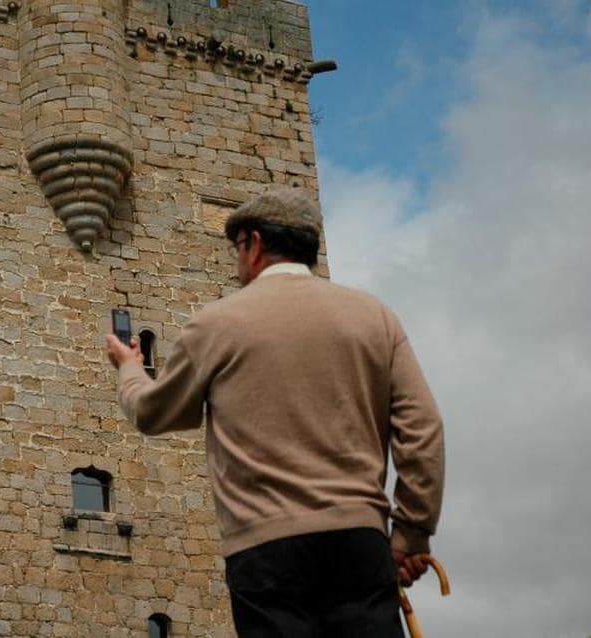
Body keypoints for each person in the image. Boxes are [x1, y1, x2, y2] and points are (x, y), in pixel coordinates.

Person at [107, 187, 444, 637]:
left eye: (236, 248)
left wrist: (129, 369)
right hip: (357, 541)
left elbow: (152, 413)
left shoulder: (218, 322)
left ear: (254, 243)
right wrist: (410, 536)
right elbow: (422, 431)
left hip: (265, 549)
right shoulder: (374, 316)